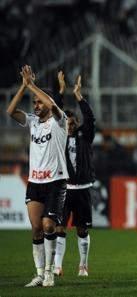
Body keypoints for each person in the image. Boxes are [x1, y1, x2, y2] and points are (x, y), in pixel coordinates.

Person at [7, 65, 68, 287]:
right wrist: (24, 88)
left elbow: (52, 104)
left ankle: (51, 271)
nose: (36, 105)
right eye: (34, 103)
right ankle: (40, 273)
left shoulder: (59, 122)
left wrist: (32, 85)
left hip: (56, 181)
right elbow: (10, 111)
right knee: (36, 228)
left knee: (49, 225)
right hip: (35, 181)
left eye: (39, 101)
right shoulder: (33, 121)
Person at [53, 75, 96, 277]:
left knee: (81, 230)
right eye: (67, 123)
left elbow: (91, 119)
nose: (69, 126)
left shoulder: (85, 137)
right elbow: (55, 115)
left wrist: (79, 97)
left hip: (83, 189)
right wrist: (60, 93)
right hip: (64, 189)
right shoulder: (59, 137)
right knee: (60, 227)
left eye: (72, 123)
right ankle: (58, 265)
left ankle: (83, 265)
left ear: (77, 123)